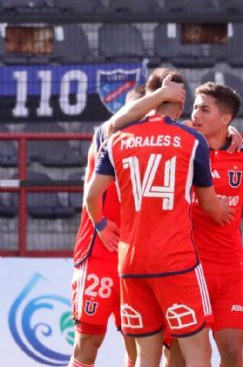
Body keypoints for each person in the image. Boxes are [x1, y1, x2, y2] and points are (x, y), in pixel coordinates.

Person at [84, 68, 234, 367]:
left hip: (131, 262)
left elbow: (91, 196)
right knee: (198, 353)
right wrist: (223, 210)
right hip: (175, 261)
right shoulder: (192, 140)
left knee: (144, 356)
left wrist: (101, 224)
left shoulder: (117, 139)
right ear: (180, 107)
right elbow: (208, 204)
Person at [69, 79, 184, 367]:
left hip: (140, 256)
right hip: (100, 253)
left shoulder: (168, 140)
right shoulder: (108, 136)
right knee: (88, 341)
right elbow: (115, 124)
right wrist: (159, 96)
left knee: (140, 347)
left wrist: (230, 132)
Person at [164, 82, 243, 367]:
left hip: (229, 268)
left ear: (226, 119)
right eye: (195, 108)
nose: (196, 114)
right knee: (179, 354)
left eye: (205, 109)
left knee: (231, 349)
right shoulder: (182, 148)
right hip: (188, 267)